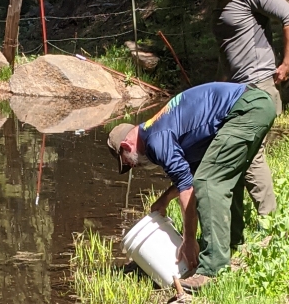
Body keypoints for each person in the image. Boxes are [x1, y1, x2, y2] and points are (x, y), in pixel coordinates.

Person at [107, 82, 276, 291]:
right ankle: (232, 242)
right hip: (254, 104)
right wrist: (164, 199)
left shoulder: (155, 140)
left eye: (129, 162)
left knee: (208, 182)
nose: (136, 165)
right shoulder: (157, 129)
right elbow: (189, 174)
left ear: (126, 146)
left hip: (246, 108)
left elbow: (189, 186)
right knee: (222, 175)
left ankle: (212, 269)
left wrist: (188, 240)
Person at [187, 0, 289, 216]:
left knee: (249, 154)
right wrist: (218, 90)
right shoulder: (222, 1)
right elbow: (227, 51)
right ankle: (248, 218)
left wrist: (286, 65)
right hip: (234, 92)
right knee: (243, 154)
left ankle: (268, 219)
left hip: (258, 87)